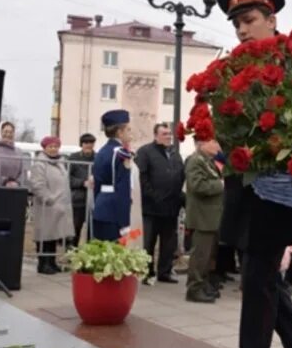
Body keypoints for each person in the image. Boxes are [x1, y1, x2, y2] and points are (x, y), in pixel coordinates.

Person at [211, 0, 292, 348]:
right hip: (244, 189)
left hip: (277, 192)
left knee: (257, 283)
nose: (241, 30)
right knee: (262, 279)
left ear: (271, 19)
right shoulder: (234, 68)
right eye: (236, 23)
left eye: (249, 20)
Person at [135, 123, 185, 284]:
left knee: (168, 243)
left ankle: (165, 271)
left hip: (171, 208)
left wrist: (179, 197)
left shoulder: (175, 154)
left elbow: (180, 176)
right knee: (148, 241)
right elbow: (141, 177)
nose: (168, 136)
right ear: (156, 135)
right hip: (152, 207)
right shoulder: (145, 152)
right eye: (164, 134)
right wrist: (153, 196)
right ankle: (147, 272)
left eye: (169, 133)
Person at [184, 137, 224, 303]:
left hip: (211, 216)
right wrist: (220, 185)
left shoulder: (208, 161)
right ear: (202, 144)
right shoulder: (195, 161)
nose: (217, 145)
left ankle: (203, 283)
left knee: (208, 255)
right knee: (200, 254)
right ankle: (194, 288)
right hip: (202, 217)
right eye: (212, 142)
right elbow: (197, 186)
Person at [92, 110, 142, 243]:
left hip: (101, 207)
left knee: (101, 253)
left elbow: (97, 184)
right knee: (114, 256)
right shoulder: (120, 154)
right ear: (120, 132)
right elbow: (122, 188)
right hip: (114, 211)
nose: (131, 134)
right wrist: (124, 222)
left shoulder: (102, 151)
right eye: (128, 130)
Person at [29, 136, 73, 274]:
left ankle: (52, 262)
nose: (53, 149)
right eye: (50, 146)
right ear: (44, 148)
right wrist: (48, 199)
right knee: (44, 236)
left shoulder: (60, 162)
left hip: (60, 205)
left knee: (54, 235)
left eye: (55, 146)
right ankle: (43, 264)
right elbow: (37, 184)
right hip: (47, 205)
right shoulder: (40, 163)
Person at [68, 133, 96, 248]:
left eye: (91, 142)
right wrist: (82, 183)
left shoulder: (98, 157)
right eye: (86, 143)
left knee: (92, 230)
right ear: (81, 144)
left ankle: (90, 255)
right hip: (78, 199)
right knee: (75, 229)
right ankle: (72, 254)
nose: (88, 145)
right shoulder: (73, 158)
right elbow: (67, 178)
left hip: (94, 200)